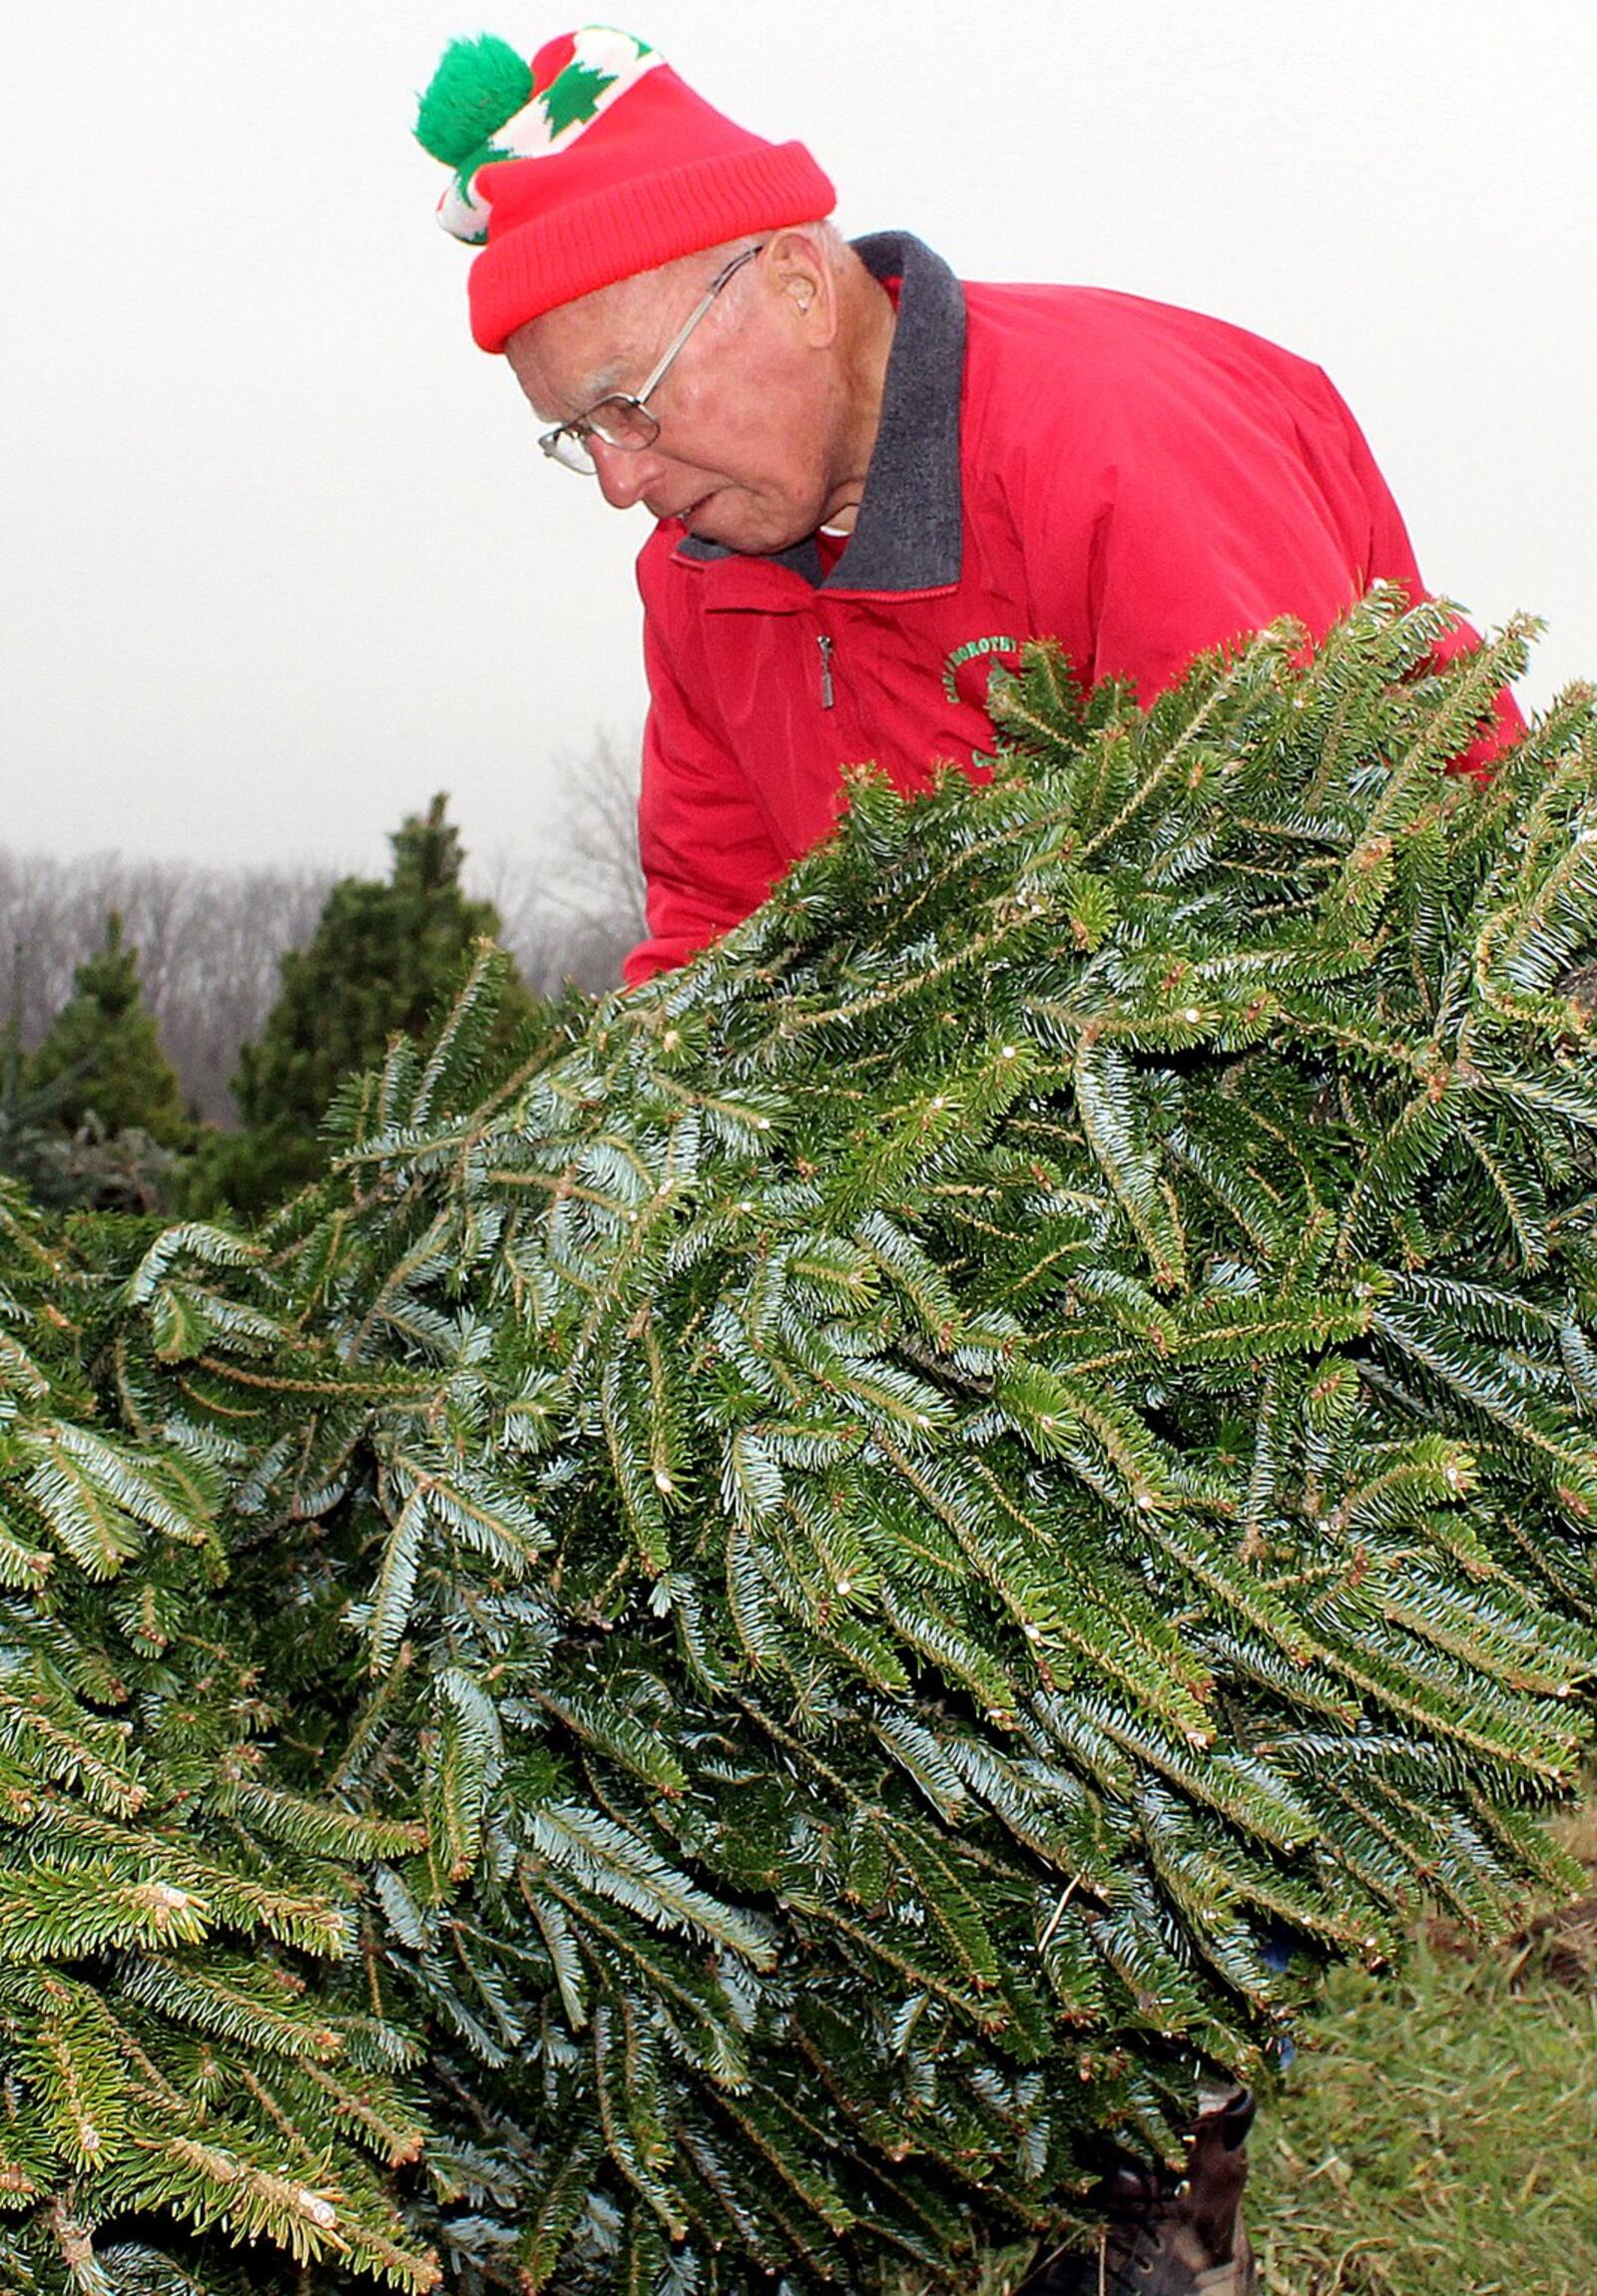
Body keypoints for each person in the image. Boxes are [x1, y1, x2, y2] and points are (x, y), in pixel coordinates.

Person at [414, 28, 1522, 2292]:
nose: (618, 481)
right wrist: (629, 1183)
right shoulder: (709, 570)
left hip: (1275, 1171)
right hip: (958, 1183)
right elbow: (715, 916)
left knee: (1135, 1673)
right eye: (569, 440)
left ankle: (1149, 2192)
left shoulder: (1106, 447)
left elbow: (1320, 890)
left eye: (630, 404)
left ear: (794, 282)